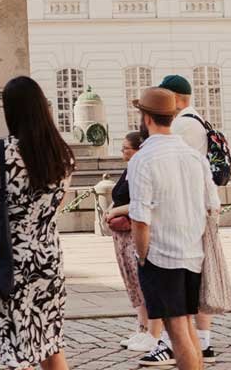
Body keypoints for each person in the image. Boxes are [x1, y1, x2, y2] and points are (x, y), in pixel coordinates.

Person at [0, 76, 75, 370]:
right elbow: (55, 207)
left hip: (9, 258)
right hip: (48, 257)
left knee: (16, 348)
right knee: (50, 343)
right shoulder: (62, 154)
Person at [128, 87, 220, 370]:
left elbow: (141, 219)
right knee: (188, 327)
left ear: (146, 119)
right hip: (192, 253)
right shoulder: (195, 157)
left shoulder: (142, 159)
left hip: (161, 255)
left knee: (177, 330)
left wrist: (142, 255)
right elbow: (213, 206)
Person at [158, 74, 225, 364]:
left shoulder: (183, 124)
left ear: (174, 98)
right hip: (198, 207)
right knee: (197, 277)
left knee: (182, 278)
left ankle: (174, 342)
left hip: (186, 211)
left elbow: (170, 164)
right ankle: (204, 340)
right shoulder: (197, 120)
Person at [105, 132, 162, 354]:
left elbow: (141, 202)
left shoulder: (142, 169)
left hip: (132, 232)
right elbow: (119, 195)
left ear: (138, 149)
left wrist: (115, 211)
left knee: (140, 280)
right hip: (120, 234)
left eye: (125, 148)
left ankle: (151, 330)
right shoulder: (128, 170)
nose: (122, 152)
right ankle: (141, 326)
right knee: (129, 280)